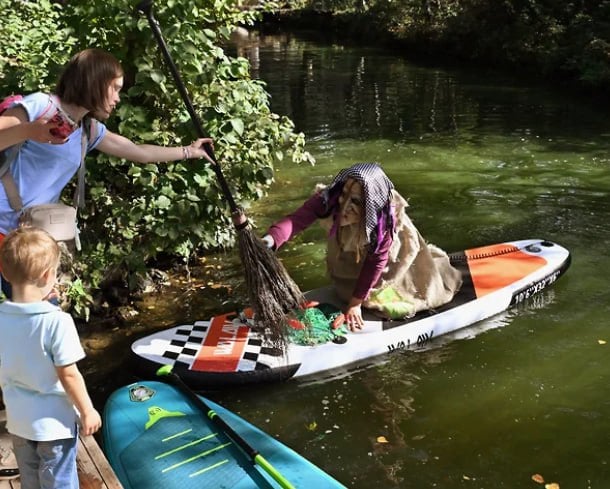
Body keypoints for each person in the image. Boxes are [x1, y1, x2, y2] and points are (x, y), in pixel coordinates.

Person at [0, 48, 214, 296]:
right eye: (115, 88)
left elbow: (139, 153)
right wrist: (28, 131)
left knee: (42, 318)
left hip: (25, 240)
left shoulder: (86, 130)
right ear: (95, 82)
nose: (117, 99)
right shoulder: (41, 105)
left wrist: (189, 151)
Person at [263, 162, 463, 331]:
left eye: (356, 201)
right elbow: (298, 219)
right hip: (350, 246)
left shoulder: (384, 223)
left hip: (391, 255)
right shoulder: (330, 198)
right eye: (345, 195)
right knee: (348, 282)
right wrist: (271, 240)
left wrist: (355, 304)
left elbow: (377, 261)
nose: (345, 207)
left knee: (396, 291)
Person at [0, 227, 102, 489]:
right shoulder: (57, 321)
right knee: (58, 482)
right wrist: (88, 410)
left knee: (31, 481)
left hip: (19, 420)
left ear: (4, 273)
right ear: (49, 276)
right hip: (54, 425)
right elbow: (68, 374)